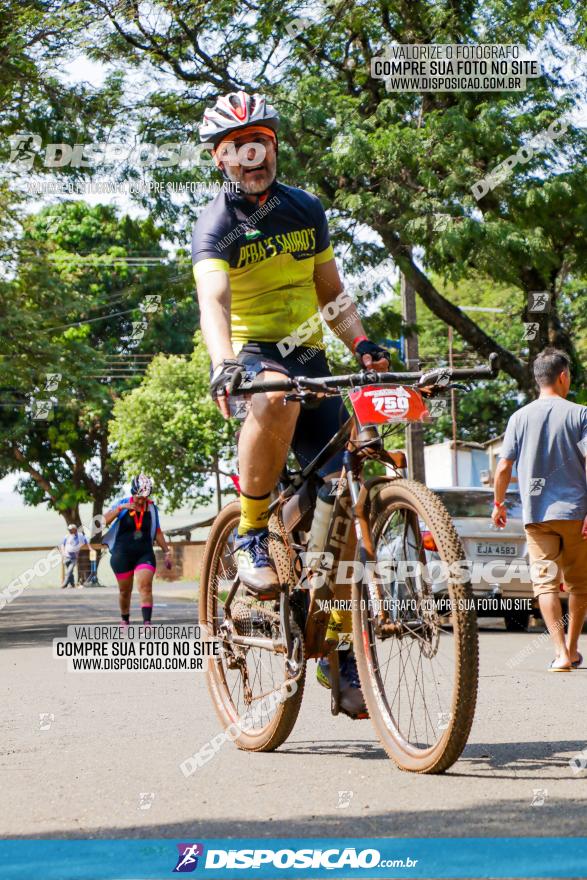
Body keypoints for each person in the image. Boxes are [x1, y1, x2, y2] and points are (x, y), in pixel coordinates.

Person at [192, 90, 390, 717]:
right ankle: (251, 529)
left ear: (273, 146)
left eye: (262, 144)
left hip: (310, 355)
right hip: (252, 353)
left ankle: (340, 650)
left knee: (349, 484)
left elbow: (330, 291)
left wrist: (360, 343)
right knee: (274, 393)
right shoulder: (216, 223)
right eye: (238, 148)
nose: (254, 158)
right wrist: (226, 365)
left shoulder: (305, 210)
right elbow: (214, 304)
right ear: (222, 158)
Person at [493, 348, 587, 671]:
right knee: (580, 585)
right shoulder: (581, 414)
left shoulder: (519, 418)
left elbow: (504, 466)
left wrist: (498, 503)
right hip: (577, 515)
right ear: (563, 377)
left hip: (536, 518)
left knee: (544, 585)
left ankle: (561, 653)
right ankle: (573, 648)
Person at [102, 474, 172, 626]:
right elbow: (102, 522)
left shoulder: (152, 508)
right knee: (125, 591)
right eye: (138, 497)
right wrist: (121, 508)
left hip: (144, 553)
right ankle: (125, 619)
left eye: (144, 497)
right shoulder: (122, 503)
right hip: (122, 554)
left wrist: (166, 551)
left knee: (145, 586)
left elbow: (158, 531)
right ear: (133, 493)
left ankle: (147, 623)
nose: (141, 500)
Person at [60, 524, 88, 589]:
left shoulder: (80, 536)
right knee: (70, 572)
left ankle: (64, 584)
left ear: (75, 529)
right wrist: (63, 552)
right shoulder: (67, 537)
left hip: (74, 558)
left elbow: (86, 542)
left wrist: (89, 549)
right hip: (66, 556)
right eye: (69, 530)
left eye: (71, 530)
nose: (70, 531)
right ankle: (72, 584)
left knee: (69, 571)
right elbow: (62, 544)